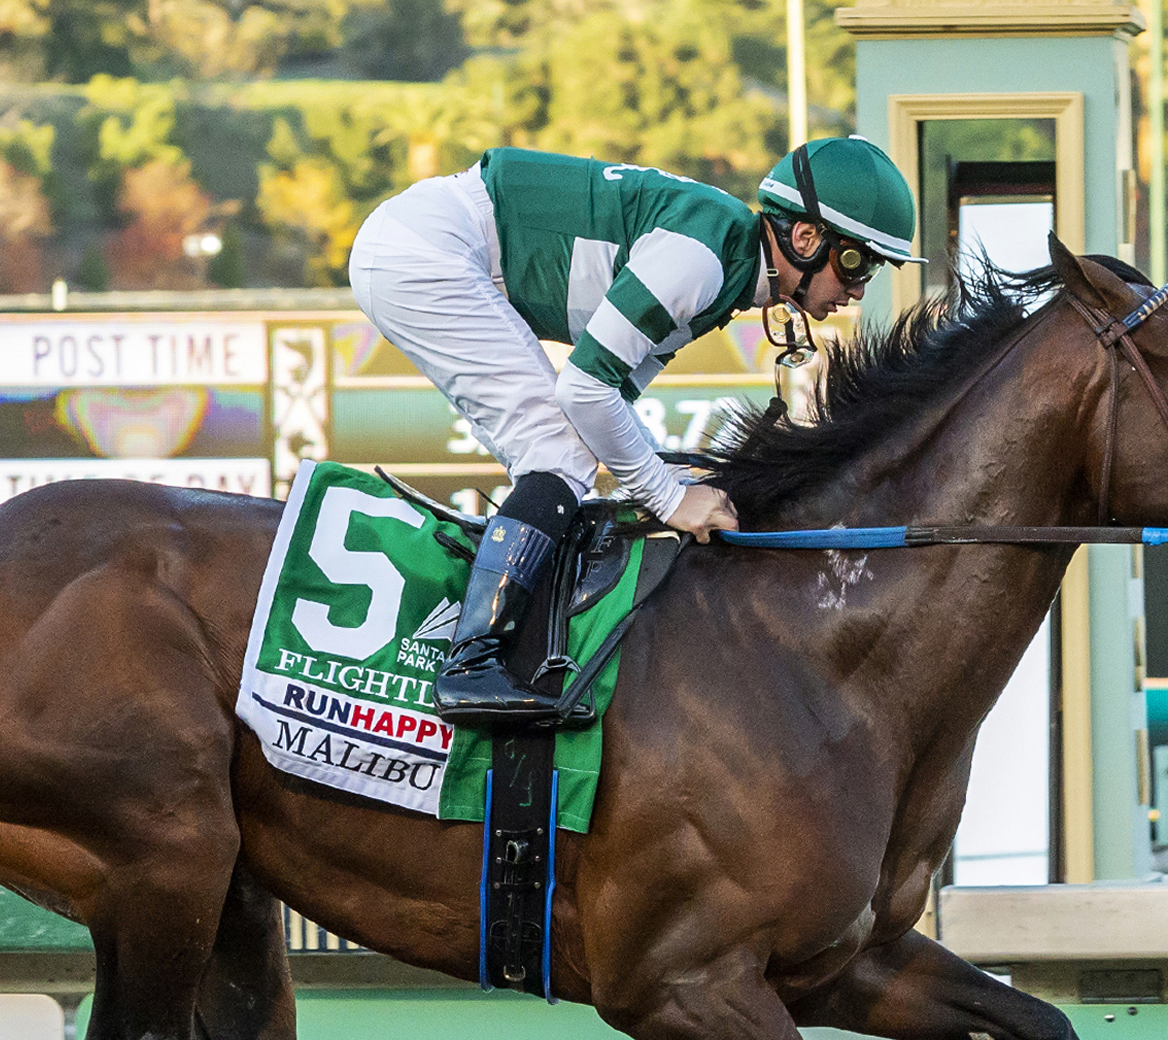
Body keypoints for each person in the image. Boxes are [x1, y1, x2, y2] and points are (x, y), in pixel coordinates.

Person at [348, 136, 921, 726]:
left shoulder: (725, 269)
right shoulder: (702, 260)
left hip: (431, 245)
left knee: (564, 452)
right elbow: (584, 389)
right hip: (427, 250)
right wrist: (669, 497)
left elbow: (607, 401)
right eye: (857, 262)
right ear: (805, 239)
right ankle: (470, 665)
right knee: (556, 454)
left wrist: (667, 477)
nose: (857, 289)